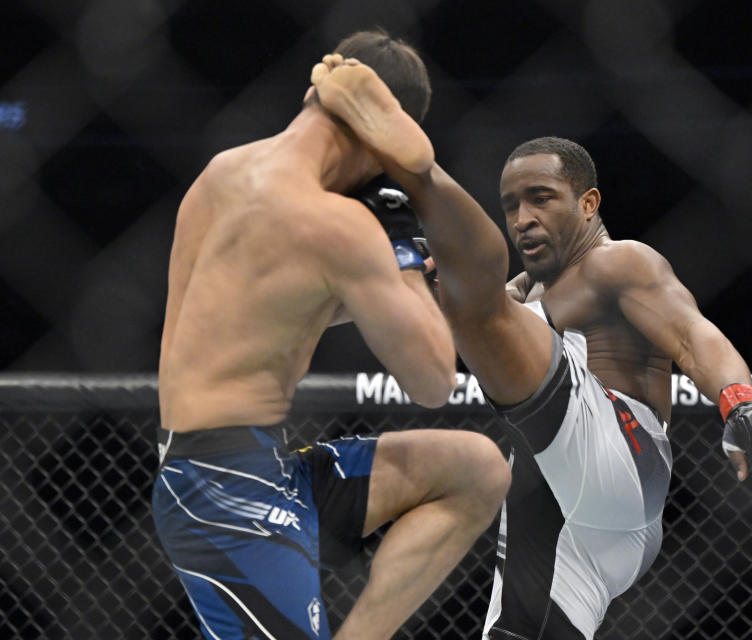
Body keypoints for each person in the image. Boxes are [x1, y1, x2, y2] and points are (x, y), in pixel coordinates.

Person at [311, 57, 752, 640]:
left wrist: (744, 401)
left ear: (589, 204)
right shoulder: (520, 295)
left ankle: (418, 170)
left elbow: (693, 334)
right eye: (511, 205)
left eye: (541, 198)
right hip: (571, 520)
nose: (522, 219)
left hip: (623, 463)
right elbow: (441, 339)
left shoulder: (619, 263)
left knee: (475, 301)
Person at [151, 30, 511, 640]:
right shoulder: (340, 225)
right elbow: (431, 380)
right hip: (225, 493)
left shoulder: (225, 171)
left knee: (476, 468)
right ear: (382, 147)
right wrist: (396, 237)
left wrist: (391, 284)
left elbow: (268, 310)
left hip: (245, 466)